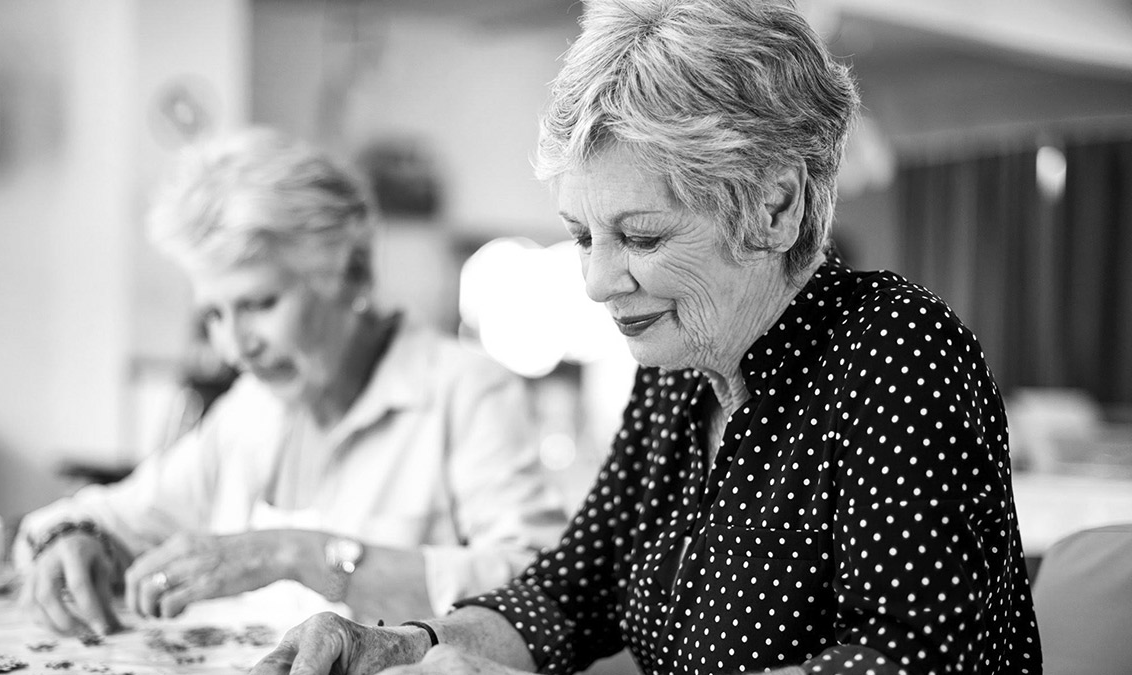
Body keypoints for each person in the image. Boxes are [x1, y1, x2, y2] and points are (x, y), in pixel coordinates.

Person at [247, 1, 1043, 673]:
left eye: (643, 236)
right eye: (585, 235)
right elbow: (570, 589)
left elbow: (908, 658)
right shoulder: (679, 369)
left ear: (775, 207)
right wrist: (403, 645)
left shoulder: (896, 350)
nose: (597, 282)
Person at [14, 128, 568, 637]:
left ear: (350, 276)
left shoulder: (466, 389)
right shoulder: (250, 411)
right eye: (214, 314)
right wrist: (73, 538)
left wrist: (297, 555)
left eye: (258, 304)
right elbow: (104, 515)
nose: (235, 346)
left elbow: (542, 590)